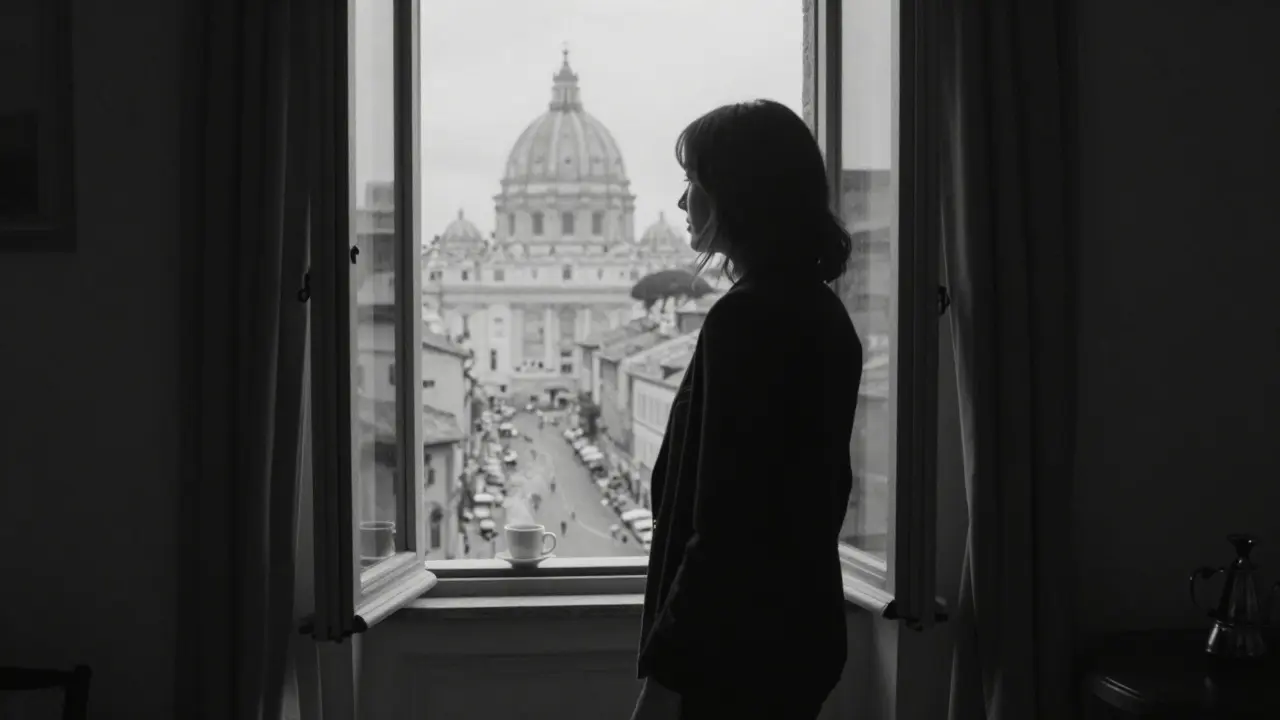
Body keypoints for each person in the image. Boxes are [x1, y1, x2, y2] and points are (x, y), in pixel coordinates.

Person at [630, 100, 859, 720]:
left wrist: (665, 675)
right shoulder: (817, 308)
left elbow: (727, 523)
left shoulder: (749, 316)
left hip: (730, 657)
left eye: (692, 184)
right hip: (791, 636)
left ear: (739, 194)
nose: (682, 205)